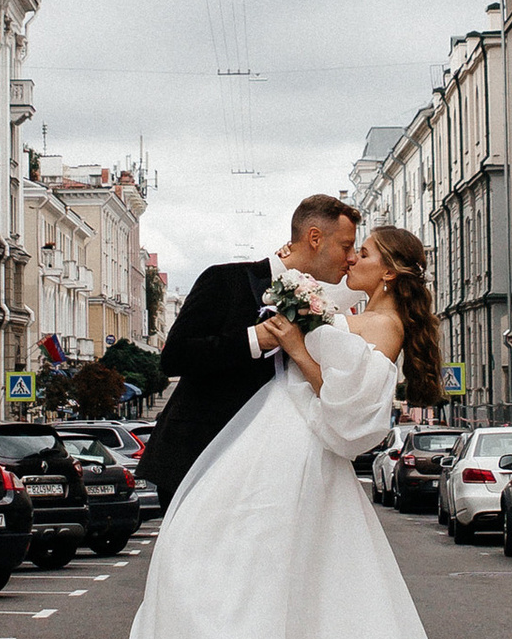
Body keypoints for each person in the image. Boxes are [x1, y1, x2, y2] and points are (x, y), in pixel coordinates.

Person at [127, 222, 512, 639]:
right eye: (349, 247)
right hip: (259, 446)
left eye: (362, 253)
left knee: (259, 592)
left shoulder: (383, 324)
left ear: (389, 271)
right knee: (213, 573)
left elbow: (356, 411)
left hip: (297, 457)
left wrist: (296, 344)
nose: (352, 260)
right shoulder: (341, 302)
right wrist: (288, 322)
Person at [138, 194, 360, 517]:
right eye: (346, 246)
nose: (351, 258)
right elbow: (174, 356)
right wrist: (254, 339)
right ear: (315, 238)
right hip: (198, 461)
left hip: (262, 475)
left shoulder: (322, 305)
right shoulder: (225, 281)